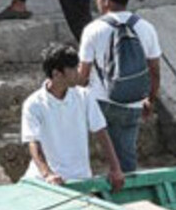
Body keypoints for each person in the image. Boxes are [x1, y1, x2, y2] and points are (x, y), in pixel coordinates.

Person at [77, 0, 162, 174]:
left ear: (106, 0)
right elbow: (155, 71)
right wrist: (150, 99)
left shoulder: (93, 29)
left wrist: (77, 100)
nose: (96, 1)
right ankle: (129, 195)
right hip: (132, 101)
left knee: (87, 152)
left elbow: (83, 74)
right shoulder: (146, 28)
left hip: (99, 102)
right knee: (126, 157)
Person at [21, 44, 125, 192]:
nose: (79, 73)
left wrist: (116, 169)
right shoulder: (33, 104)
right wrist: (48, 174)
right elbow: (33, 143)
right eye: (74, 69)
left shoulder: (84, 96)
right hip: (45, 181)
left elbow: (101, 132)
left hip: (80, 178)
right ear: (57, 74)